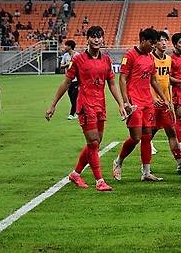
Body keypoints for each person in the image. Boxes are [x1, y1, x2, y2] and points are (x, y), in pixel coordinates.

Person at [45, 26, 126, 192]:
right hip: (85, 105)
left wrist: (120, 104)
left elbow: (111, 83)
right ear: (87, 39)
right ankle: (99, 180)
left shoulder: (106, 60)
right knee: (93, 142)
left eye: (99, 37)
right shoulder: (78, 60)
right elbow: (66, 82)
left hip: (100, 105)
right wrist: (53, 104)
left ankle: (76, 173)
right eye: (93, 37)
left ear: (103, 39)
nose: (97, 40)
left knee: (95, 143)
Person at [113, 28, 170, 182]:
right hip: (134, 102)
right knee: (136, 137)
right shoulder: (130, 55)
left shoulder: (150, 58)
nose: (153, 46)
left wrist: (164, 98)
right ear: (143, 40)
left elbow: (153, 80)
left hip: (147, 102)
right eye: (151, 43)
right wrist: (126, 101)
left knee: (147, 137)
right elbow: (122, 79)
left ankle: (146, 172)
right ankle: (118, 162)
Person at [150, 32, 181, 173]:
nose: (164, 43)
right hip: (158, 98)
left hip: (168, 98)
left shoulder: (170, 59)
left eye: (165, 40)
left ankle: (180, 162)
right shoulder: (150, 59)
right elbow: (150, 80)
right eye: (161, 40)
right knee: (148, 131)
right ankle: (133, 164)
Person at [60, 40, 81, 120]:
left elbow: (80, 67)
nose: (65, 47)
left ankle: (72, 114)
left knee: (74, 96)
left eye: (66, 45)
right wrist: (68, 64)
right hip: (68, 80)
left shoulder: (77, 55)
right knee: (71, 97)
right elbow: (61, 66)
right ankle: (78, 111)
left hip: (76, 79)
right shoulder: (65, 56)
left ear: (70, 46)